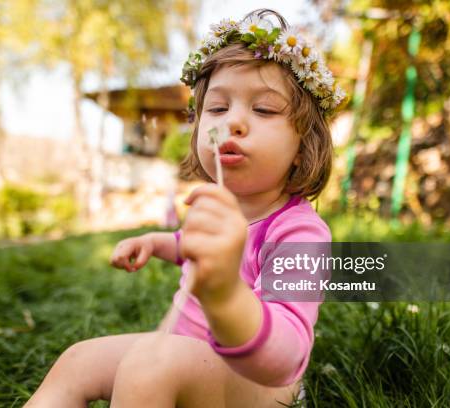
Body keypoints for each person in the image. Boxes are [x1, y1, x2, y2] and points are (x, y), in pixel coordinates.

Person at [25, 8, 344, 407]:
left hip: (258, 385)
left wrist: (226, 292)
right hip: (188, 352)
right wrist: (157, 243)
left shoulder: (298, 233)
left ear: (303, 147)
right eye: (217, 108)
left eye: (263, 110)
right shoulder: (217, 205)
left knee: (150, 366)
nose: (233, 123)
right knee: (78, 360)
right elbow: (186, 244)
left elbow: (284, 359)